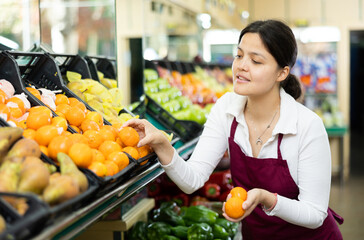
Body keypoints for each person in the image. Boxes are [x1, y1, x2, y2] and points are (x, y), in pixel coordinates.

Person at [124, 19, 343, 239]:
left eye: (256, 61)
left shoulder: (306, 125)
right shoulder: (227, 108)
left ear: (282, 73)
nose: (241, 66)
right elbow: (193, 179)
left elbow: (315, 213)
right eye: (239, 55)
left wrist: (267, 198)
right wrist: (162, 144)